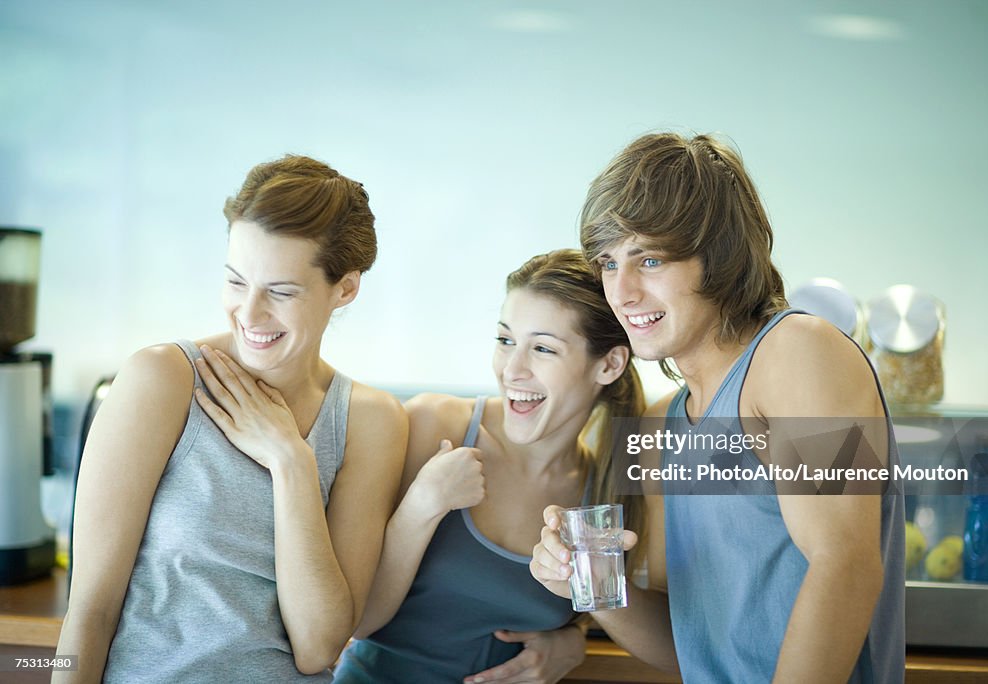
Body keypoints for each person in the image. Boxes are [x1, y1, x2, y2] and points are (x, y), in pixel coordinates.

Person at [531, 132, 906, 683]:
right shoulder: (662, 427)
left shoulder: (800, 352)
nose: (622, 291)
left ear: (720, 258)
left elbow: (845, 567)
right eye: (608, 263)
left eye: (650, 259)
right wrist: (592, 588)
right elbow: (690, 644)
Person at [54, 155, 407, 683]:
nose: (249, 313)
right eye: (236, 281)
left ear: (346, 288)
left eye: (281, 292)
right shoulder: (162, 381)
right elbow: (89, 612)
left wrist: (290, 460)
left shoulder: (371, 421)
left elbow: (319, 646)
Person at [333, 248, 646, 684]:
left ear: (609, 364)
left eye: (542, 348)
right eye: (505, 341)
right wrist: (422, 505)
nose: (512, 369)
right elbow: (355, 622)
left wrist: (572, 639)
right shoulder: (432, 426)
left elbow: (613, 619)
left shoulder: (605, 489)